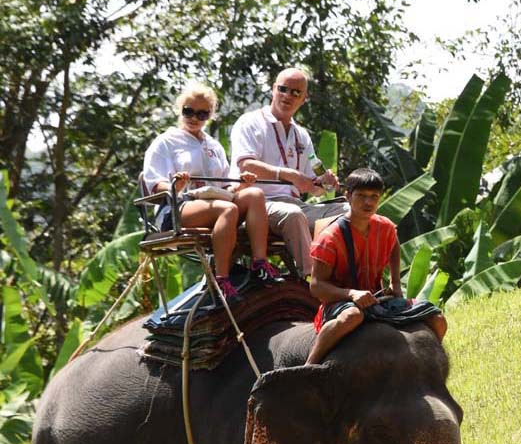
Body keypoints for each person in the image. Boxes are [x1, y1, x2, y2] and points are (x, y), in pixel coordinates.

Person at [143, 81, 282, 301]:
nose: (194, 118)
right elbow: (154, 183)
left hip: (217, 202)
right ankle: (223, 279)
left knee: (254, 194)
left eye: (202, 114)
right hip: (177, 208)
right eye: (188, 111)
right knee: (226, 209)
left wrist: (242, 185)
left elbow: (225, 187)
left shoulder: (213, 146)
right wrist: (175, 186)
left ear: (210, 115)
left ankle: (260, 263)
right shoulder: (165, 142)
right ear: (180, 110)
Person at [306, 167, 448, 365]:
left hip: (378, 300)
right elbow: (316, 286)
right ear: (347, 196)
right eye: (361, 196)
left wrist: (396, 282)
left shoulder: (385, 226)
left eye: (374, 196)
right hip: (341, 303)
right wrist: (352, 294)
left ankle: (430, 365)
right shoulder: (330, 238)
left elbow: (394, 245)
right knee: (352, 317)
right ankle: (310, 365)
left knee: (437, 318)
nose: (368, 202)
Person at [229, 67, 346, 275]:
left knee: (349, 211)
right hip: (257, 205)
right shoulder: (250, 122)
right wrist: (288, 174)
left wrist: (325, 182)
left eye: (295, 92)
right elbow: (245, 165)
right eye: (283, 89)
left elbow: (315, 187)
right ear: (273, 89)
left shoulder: (301, 135)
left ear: (304, 98)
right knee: (292, 215)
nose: (287, 96)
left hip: (295, 204)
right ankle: (312, 279)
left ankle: (353, 277)